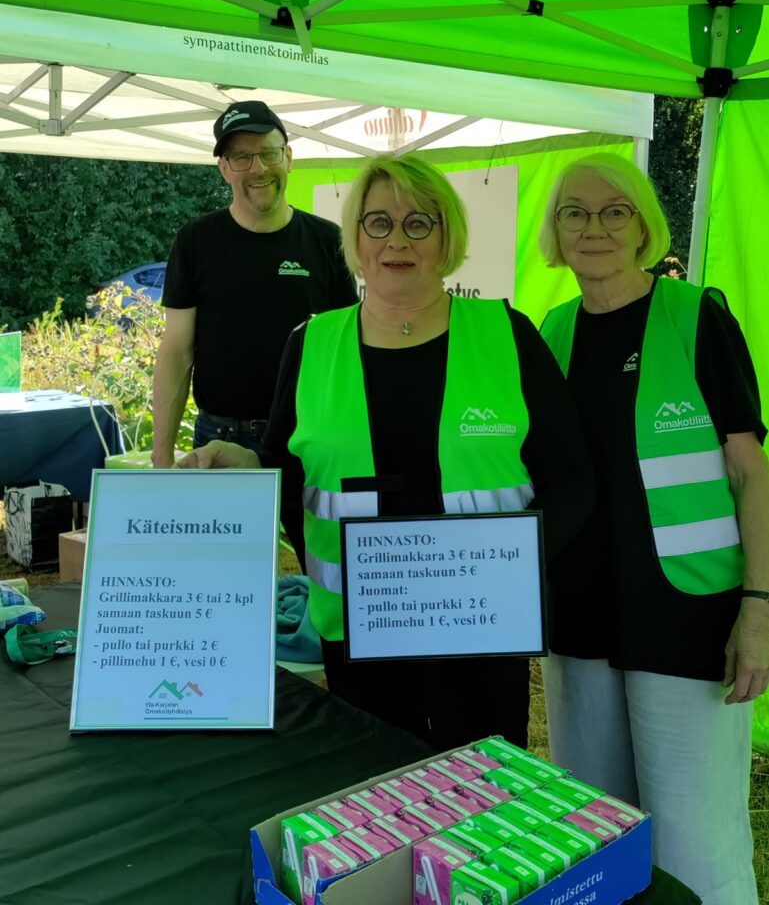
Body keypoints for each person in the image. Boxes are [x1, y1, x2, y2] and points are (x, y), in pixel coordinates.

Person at [179, 153, 593, 752]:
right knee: (374, 789)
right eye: (379, 222)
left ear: (447, 236)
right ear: (356, 237)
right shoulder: (311, 343)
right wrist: (247, 467)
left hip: (480, 632)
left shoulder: (507, 333)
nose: (397, 239)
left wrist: (510, 569)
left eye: (418, 222)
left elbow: (571, 477)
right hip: (358, 634)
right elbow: (290, 477)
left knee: (479, 792)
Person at [537, 151, 769, 905]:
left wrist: (759, 609)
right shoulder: (552, 331)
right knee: (592, 826)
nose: (594, 227)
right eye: (574, 212)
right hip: (580, 619)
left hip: (684, 616)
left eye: (615, 211)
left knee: (693, 838)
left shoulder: (695, 316)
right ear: (554, 230)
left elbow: (751, 473)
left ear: (643, 226)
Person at [151, 100, 358, 469]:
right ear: (224, 169)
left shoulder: (328, 241)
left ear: (288, 157)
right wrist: (161, 456)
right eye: (241, 158)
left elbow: (348, 349)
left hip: (307, 434)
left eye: (268, 153)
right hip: (220, 438)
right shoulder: (195, 241)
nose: (258, 168)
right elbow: (176, 352)